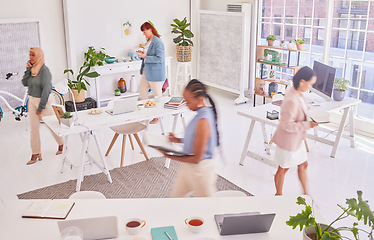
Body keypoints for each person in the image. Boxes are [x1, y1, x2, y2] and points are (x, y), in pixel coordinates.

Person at [158, 79, 219, 197]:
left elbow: (196, 158)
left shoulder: (203, 121)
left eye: (188, 101)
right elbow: (197, 139)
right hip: (189, 168)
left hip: (201, 171)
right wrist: (177, 140)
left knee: (210, 209)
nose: (186, 105)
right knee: (175, 200)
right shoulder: (202, 113)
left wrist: (169, 155)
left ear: (200, 99)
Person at [271, 66, 319, 195]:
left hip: (297, 140)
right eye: (310, 84)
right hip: (288, 141)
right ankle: (278, 195)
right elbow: (287, 125)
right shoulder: (291, 99)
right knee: (283, 169)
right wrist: (307, 125)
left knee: (303, 165)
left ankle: (306, 195)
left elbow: (299, 109)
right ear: (302, 81)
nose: (310, 87)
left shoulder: (297, 92)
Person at [22, 47, 64, 165]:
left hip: (44, 102)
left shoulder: (45, 71)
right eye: (30, 55)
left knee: (52, 126)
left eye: (33, 55)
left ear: (39, 56)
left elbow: (46, 90)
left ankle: (62, 144)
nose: (30, 57)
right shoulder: (32, 70)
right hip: (32, 101)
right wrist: (27, 69)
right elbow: (25, 83)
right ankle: (35, 153)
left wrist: (40, 108)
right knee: (33, 129)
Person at [138, 21, 165, 124]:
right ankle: (146, 114)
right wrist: (142, 54)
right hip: (146, 71)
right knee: (142, 91)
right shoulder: (149, 41)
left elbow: (160, 59)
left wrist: (145, 57)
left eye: (144, 31)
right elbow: (148, 54)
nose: (144, 33)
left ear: (150, 29)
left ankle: (158, 116)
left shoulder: (158, 42)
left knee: (157, 96)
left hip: (155, 73)